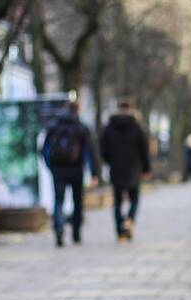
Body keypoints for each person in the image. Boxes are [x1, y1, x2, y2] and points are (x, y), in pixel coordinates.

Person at [42, 101, 97, 247]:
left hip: (58, 169)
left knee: (58, 201)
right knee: (77, 201)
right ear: (78, 110)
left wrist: (51, 166)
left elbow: (45, 149)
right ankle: (76, 233)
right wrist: (93, 173)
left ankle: (59, 229)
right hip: (76, 169)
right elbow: (89, 152)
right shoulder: (82, 127)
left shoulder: (54, 126)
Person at [99, 100, 151, 241]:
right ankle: (129, 219)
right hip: (134, 168)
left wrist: (110, 161)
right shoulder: (137, 127)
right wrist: (146, 168)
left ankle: (120, 232)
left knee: (117, 201)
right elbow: (144, 150)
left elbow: (103, 149)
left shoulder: (109, 127)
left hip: (116, 168)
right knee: (134, 198)